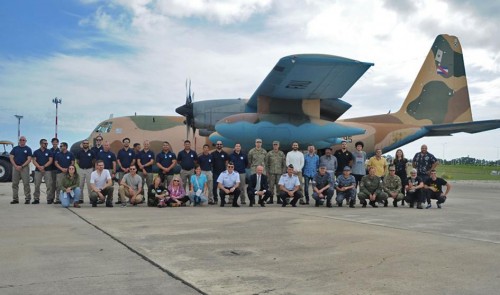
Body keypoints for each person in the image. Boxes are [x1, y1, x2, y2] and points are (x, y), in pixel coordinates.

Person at [9, 136, 32, 204]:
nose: (22, 141)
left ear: (25, 141)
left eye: (23, 140)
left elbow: (29, 159)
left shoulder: (28, 149)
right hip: (15, 167)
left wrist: (22, 166)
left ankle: (27, 198)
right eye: (21, 140)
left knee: (26, 183)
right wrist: (15, 166)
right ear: (19, 141)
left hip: (24, 168)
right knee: (15, 184)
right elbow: (11, 157)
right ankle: (15, 199)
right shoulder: (15, 149)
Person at [32, 138, 53, 204]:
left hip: (47, 170)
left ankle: (49, 199)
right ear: (41, 144)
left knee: (49, 185)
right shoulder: (36, 152)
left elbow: (50, 160)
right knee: (37, 185)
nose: (46, 144)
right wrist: (39, 167)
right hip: (38, 170)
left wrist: (43, 166)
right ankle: (36, 199)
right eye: (45, 143)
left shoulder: (49, 151)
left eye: (47, 143)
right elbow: (34, 160)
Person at [75, 139, 94, 203]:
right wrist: (81, 165)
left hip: (89, 169)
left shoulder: (91, 152)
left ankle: (91, 198)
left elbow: (94, 161)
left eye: (87, 143)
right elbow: (77, 161)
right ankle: (80, 199)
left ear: (88, 144)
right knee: (80, 185)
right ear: (82, 144)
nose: (85, 144)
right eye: (84, 143)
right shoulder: (79, 152)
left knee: (90, 185)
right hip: (81, 169)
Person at [47, 137, 60, 204]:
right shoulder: (49, 151)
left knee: (58, 185)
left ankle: (58, 199)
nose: (55, 143)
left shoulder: (60, 150)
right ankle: (51, 198)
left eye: (56, 142)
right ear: (52, 143)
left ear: (58, 143)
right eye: (53, 142)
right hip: (51, 169)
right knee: (52, 185)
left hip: (58, 170)